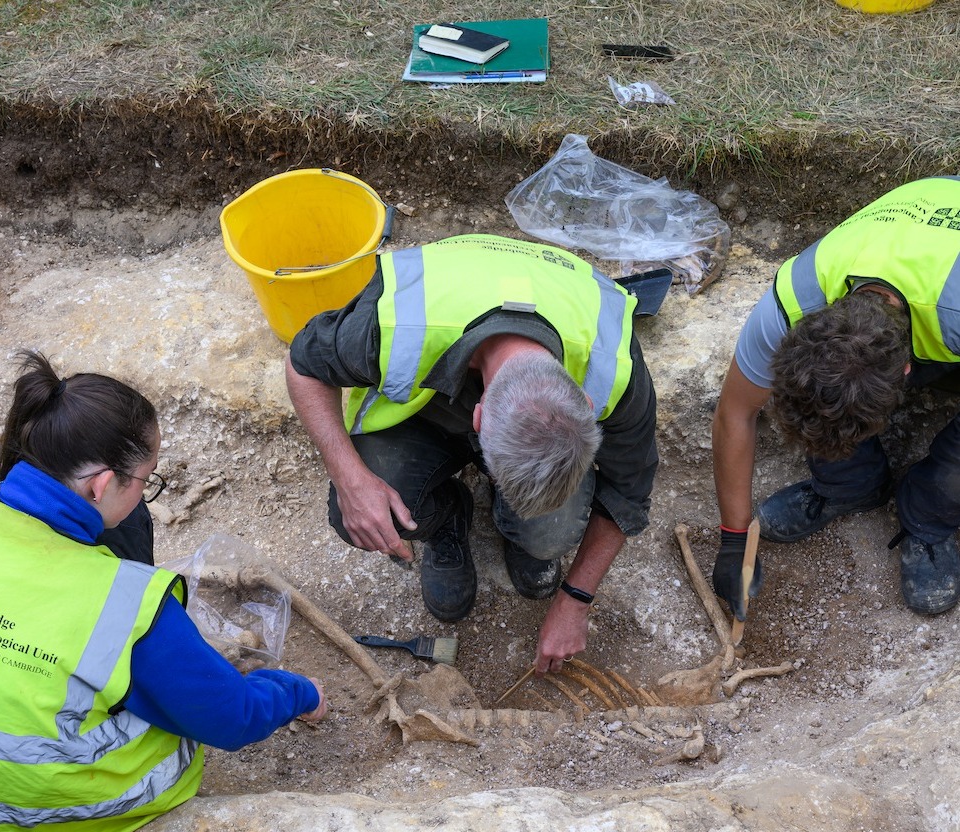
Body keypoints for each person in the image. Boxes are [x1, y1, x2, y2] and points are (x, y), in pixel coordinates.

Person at [0, 351, 327, 832]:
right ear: (103, 483)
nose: (145, 492)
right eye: (146, 480)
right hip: (38, 810)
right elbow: (233, 717)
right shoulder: (127, 606)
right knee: (161, 690)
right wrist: (299, 692)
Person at [285, 233, 658, 674]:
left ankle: (518, 531)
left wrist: (576, 600)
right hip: (420, 418)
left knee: (550, 534)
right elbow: (302, 364)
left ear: (586, 404)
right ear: (477, 418)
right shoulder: (394, 322)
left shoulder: (613, 365)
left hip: (549, 298)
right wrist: (350, 478)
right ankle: (448, 516)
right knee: (363, 516)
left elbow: (629, 490)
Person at [712, 175, 960, 619]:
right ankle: (851, 488)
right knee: (825, 407)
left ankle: (927, 520)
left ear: (907, 372)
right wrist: (734, 539)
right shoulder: (792, 300)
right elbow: (735, 412)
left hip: (947, 287)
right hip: (921, 230)